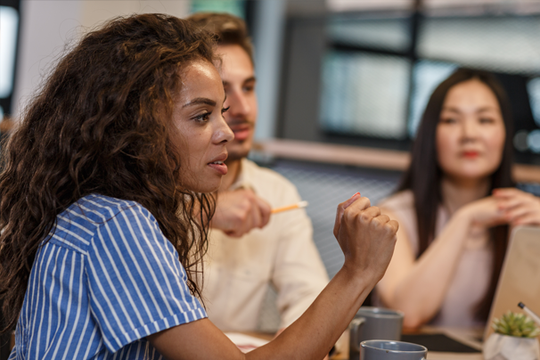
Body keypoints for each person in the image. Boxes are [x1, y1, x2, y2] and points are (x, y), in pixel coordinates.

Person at [0, 13, 399, 359]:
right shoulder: (117, 223)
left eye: (221, 112)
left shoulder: (92, 209)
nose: (227, 132)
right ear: (136, 128)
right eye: (201, 116)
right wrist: (358, 272)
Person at [187, 12, 329, 333]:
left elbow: (309, 297)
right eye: (222, 91)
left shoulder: (276, 193)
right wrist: (199, 210)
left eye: (248, 88)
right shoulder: (142, 190)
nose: (242, 109)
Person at [375, 68, 540, 329]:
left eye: (485, 120)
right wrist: (466, 219)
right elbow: (407, 316)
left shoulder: (525, 218)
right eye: (451, 120)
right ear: (430, 133)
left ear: (505, 133)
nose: (469, 134)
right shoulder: (390, 218)